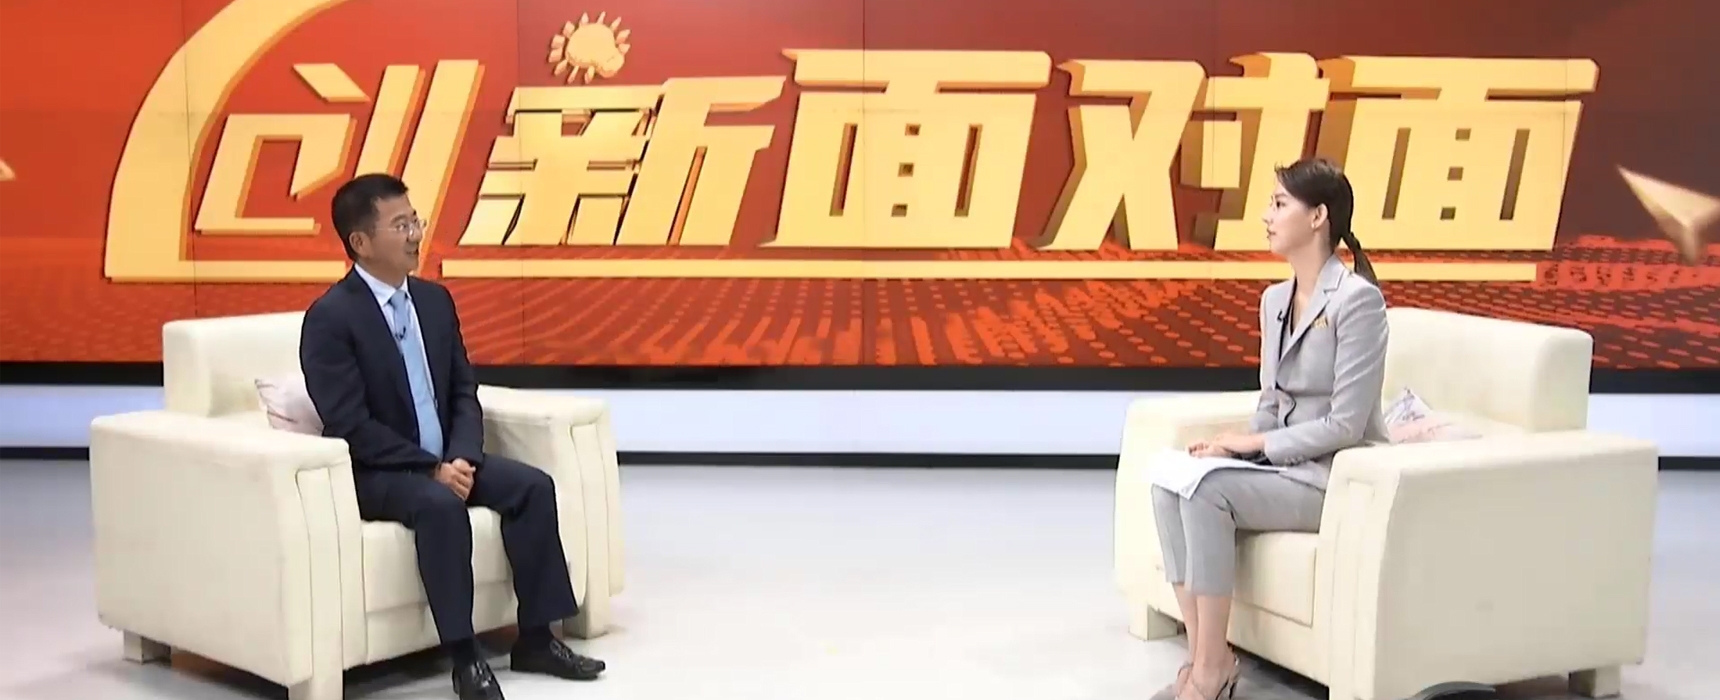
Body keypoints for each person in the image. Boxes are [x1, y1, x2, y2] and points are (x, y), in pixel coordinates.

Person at [299, 173, 606, 700]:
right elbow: (349, 424)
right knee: (440, 506)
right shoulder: (331, 319)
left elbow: (464, 389)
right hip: (379, 471)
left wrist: (461, 456)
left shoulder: (435, 302)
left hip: (447, 459)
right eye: (400, 225)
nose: (416, 234)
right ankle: (465, 659)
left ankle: (536, 638)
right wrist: (429, 469)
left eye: (414, 220)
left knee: (532, 488)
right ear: (361, 242)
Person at [1150, 158, 1389, 700]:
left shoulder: (1358, 301)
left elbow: (1347, 423)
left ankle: (1210, 672)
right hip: (1282, 469)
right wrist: (1229, 451)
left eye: (1280, 204)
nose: (1266, 216)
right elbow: (1271, 402)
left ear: (1318, 217)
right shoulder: (1274, 301)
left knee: (1207, 493)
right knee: (1172, 483)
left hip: (1334, 478)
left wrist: (1255, 444)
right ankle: (1207, 658)